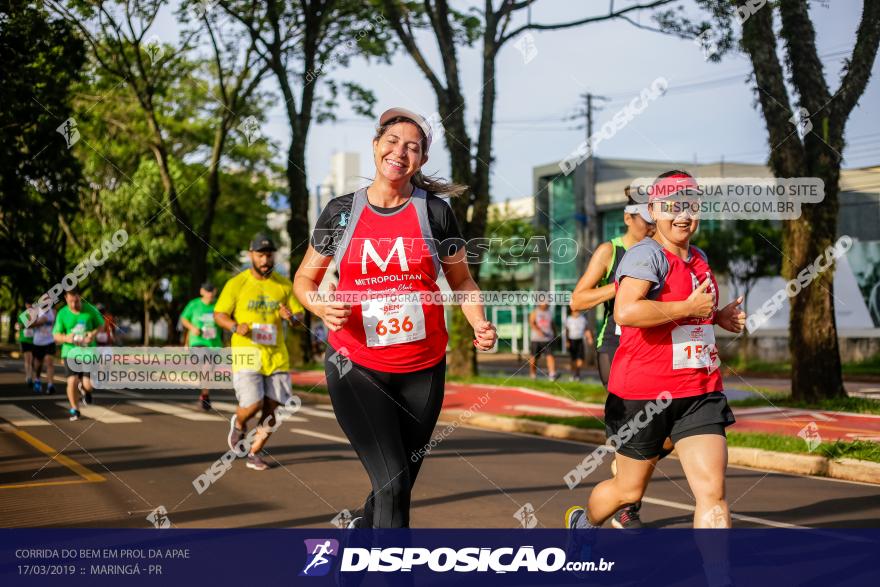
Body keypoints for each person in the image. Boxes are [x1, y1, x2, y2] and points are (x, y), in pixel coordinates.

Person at [293, 107, 497, 528]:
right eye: (392, 142)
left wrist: (478, 321)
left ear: (420, 160)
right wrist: (319, 305)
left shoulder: (436, 213)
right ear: (375, 147)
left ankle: (359, 536)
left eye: (413, 147)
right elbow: (303, 279)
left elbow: (462, 283)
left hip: (422, 368)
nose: (400, 152)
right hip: (356, 363)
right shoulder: (341, 212)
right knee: (394, 485)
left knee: (396, 483)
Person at [565, 170, 746, 533]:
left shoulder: (699, 256)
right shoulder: (645, 256)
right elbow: (626, 311)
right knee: (627, 489)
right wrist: (687, 309)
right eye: (672, 207)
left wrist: (717, 317)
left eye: (691, 206)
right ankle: (583, 525)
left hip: (700, 391)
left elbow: (694, 313)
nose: (683, 215)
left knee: (713, 493)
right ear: (654, 210)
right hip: (643, 395)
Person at [570, 189, 657, 527]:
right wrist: (620, 287)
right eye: (645, 221)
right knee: (634, 424)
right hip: (615, 347)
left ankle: (622, 489)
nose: (651, 228)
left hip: (654, 351)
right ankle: (625, 506)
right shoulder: (611, 250)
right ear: (627, 218)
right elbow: (578, 300)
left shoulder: (663, 251)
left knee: (657, 431)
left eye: (654, 221)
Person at [214, 234, 305, 471]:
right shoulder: (237, 283)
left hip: (276, 356)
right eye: (261, 255)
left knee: (273, 409)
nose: (265, 259)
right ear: (251, 255)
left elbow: (300, 316)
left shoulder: (284, 285)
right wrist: (235, 326)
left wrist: (292, 318)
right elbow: (219, 313)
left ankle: (254, 452)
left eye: (269, 255)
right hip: (247, 354)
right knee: (253, 404)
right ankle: (240, 422)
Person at [53, 289, 105, 421]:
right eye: (70, 301)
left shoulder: (90, 309)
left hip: (88, 352)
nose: (73, 305)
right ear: (66, 298)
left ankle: (85, 390)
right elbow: (56, 335)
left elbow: (101, 326)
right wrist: (66, 338)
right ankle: (75, 409)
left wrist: (92, 335)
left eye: (76, 301)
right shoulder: (62, 313)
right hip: (70, 352)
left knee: (89, 384)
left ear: (80, 297)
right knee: (72, 381)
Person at [180, 283, 222, 410]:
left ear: (215, 292)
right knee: (206, 366)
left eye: (212, 291)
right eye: (207, 291)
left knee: (208, 371)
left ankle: (205, 395)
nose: (209, 294)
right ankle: (204, 394)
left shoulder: (219, 306)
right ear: (201, 291)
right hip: (198, 342)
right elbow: (184, 318)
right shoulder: (194, 304)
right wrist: (192, 328)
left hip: (214, 344)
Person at [30, 305, 57, 395]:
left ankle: (50, 385)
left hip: (50, 341)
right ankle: (37, 379)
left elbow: (56, 325)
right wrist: (39, 323)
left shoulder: (53, 312)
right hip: (38, 342)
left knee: (50, 362)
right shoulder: (36, 311)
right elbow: (29, 325)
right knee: (38, 364)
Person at [529, 302, 557, 380]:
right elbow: (531, 323)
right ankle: (533, 373)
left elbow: (552, 324)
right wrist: (538, 331)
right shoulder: (535, 312)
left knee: (550, 356)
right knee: (534, 358)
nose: (546, 304)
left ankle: (552, 374)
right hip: (536, 339)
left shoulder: (549, 313)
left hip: (548, 339)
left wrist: (555, 335)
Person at [564, 310, 593, 381]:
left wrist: (589, 338)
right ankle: (573, 373)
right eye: (575, 311)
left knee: (580, 359)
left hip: (580, 340)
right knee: (573, 359)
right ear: (572, 312)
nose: (577, 313)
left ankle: (577, 373)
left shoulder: (582, 319)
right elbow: (567, 331)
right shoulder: (569, 319)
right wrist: (567, 341)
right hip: (572, 340)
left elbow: (586, 329)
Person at [16, 304, 35, 388]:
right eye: (28, 305)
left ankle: (30, 376)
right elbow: (19, 325)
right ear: (26, 305)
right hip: (24, 340)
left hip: (33, 340)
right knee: (28, 359)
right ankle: (29, 376)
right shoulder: (22, 314)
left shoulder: (36, 314)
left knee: (32, 359)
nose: (29, 306)